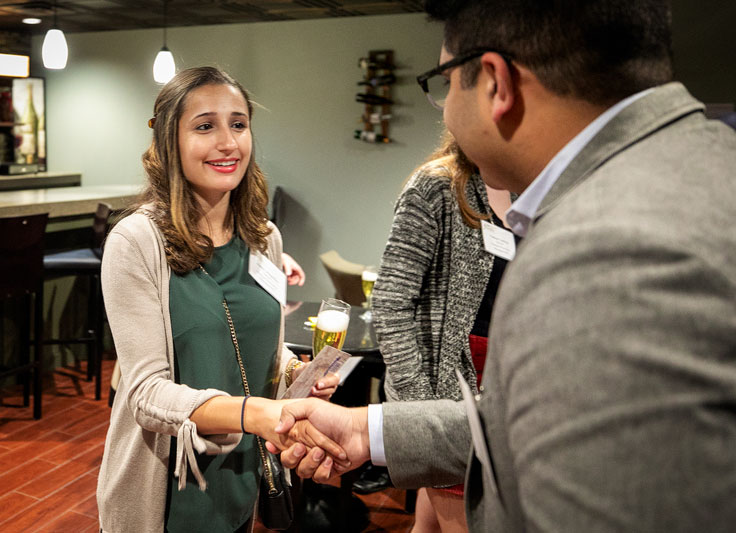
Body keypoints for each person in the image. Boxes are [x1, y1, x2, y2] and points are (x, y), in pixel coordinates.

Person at [269, 1, 736, 532]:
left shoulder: (604, 246)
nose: (444, 110)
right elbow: (541, 422)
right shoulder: (710, 162)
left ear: (495, 82)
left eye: (444, 83)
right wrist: (368, 431)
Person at [96, 66, 342, 533]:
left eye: (238, 124)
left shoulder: (263, 238)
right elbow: (146, 394)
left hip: (241, 478)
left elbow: (262, 347)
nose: (228, 143)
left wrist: (294, 374)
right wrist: (258, 413)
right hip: (166, 493)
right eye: (205, 126)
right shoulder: (136, 241)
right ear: (170, 142)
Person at [371, 130, 512, 532]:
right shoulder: (437, 186)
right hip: (447, 392)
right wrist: (420, 408)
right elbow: (391, 303)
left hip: (498, 384)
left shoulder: (524, 191)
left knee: (428, 527)